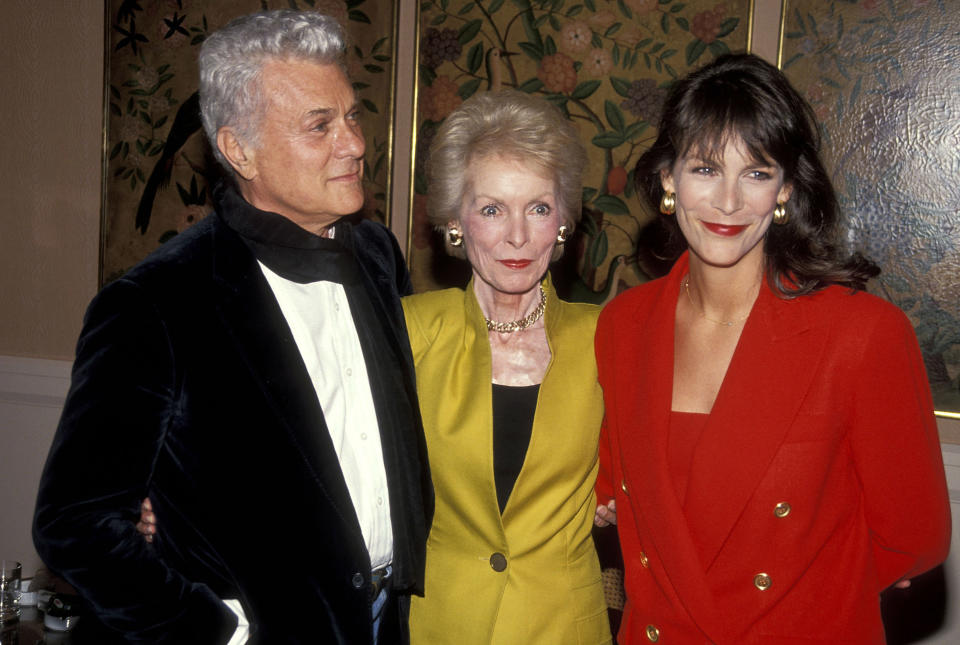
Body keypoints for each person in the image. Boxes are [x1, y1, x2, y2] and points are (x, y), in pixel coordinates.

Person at [32, 10, 432, 644]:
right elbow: (75, 524)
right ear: (239, 150)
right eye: (319, 125)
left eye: (352, 116)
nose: (354, 143)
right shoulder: (155, 302)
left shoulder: (377, 256)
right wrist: (218, 632)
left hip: (384, 623)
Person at [592, 53, 951, 644]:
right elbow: (617, 487)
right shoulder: (623, 326)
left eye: (756, 173)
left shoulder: (863, 334)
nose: (728, 202)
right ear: (667, 178)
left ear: (785, 187)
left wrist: (807, 601)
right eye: (705, 169)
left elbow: (914, 540)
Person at [403, 90, 612, 643]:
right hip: (441, 624)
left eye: (538, 208)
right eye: (492, 209)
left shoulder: (608, 340)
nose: (517, 236)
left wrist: (618, 493)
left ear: (563, 221)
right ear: (455, 220)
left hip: (564, 626)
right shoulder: (409, 332)